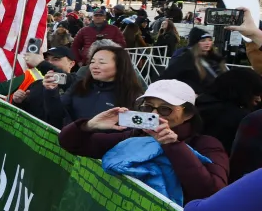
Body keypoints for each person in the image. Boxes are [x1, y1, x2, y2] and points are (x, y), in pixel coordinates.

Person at [58, 79, 228, 203]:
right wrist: (89, 125)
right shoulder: (133, 137)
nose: (154, 114)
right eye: (148, 107)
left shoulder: (207, 145)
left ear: (188, 114)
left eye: (165, 109)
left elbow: (212, 192)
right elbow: (71, 144)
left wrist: (173, 146)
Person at [63, 44, 144, 124]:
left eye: (102, 62)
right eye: (92, 62)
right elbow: (61, 111)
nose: (94, 66)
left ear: (120, 65)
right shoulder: (79, 86)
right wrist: (54, 92)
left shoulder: (132, 94)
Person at [193, 68, 262, 152]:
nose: (259, 99)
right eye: (255, 93)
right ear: (242, 90)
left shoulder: (199, 104)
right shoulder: (241, 118)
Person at [163, 27, 226, 93]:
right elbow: (170, 74)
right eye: (203, 40)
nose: (207, 43)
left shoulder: (213, 58)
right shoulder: (184, 56)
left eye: (210, 40)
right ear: (195, 43)